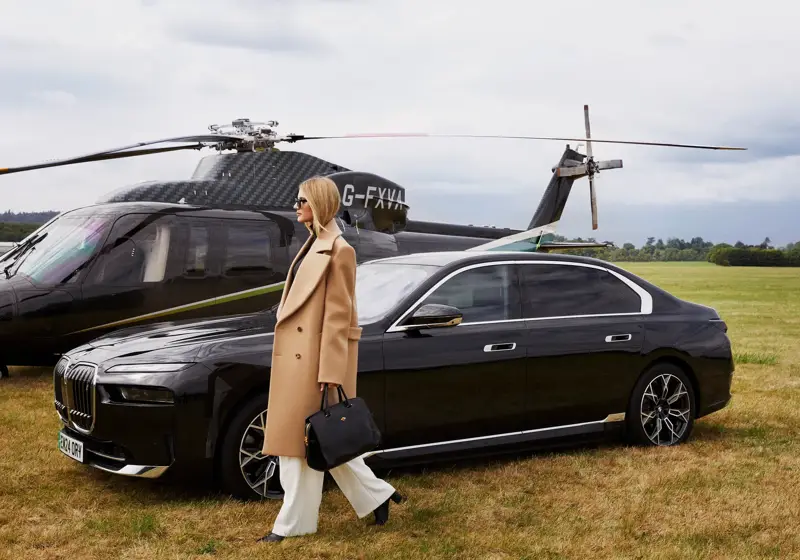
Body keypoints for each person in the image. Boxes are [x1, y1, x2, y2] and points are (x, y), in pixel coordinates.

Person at [258, 176, 405, 543]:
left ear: (320, 204)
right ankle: (377, 495)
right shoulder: (313, 243)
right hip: (299, 357)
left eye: (302, 201)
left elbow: (339, 316)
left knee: (299, 446)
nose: (296, 207)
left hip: (313, 361)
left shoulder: (339, 251)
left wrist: (330, 369)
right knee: (321, 440)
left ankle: (292, 525)